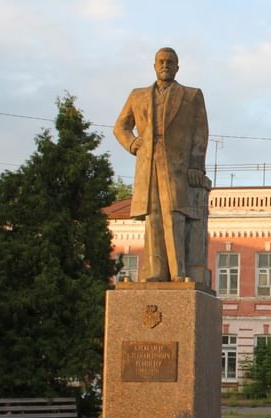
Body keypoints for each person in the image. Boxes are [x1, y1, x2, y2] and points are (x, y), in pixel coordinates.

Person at [114, 47, 211, 284]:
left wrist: (196, 166)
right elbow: (120, 127)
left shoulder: (191, 95)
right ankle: (156, 272)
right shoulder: (137, 96)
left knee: (175, 216)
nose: (165, 65)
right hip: (147, 166)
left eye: (170, 62)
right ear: (154, 65)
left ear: (177, 67)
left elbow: (201, 132)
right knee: (154, 217)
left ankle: (178, 272)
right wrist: (133, 143)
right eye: (161, 61)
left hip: (178, 167)